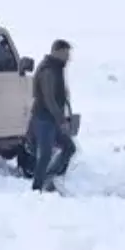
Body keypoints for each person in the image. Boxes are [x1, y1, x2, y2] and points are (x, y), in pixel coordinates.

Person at [29, 39, 77, 192]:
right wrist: (61, 120)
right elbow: (49, 99)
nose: (68, 57)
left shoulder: (56, 68)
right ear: (57, 52)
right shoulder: (48, 70)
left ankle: (49, 178)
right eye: (66, 53)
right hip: (44, 119)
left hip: (51, 119)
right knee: (45, 155)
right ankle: (36, 189)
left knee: (69, 148)